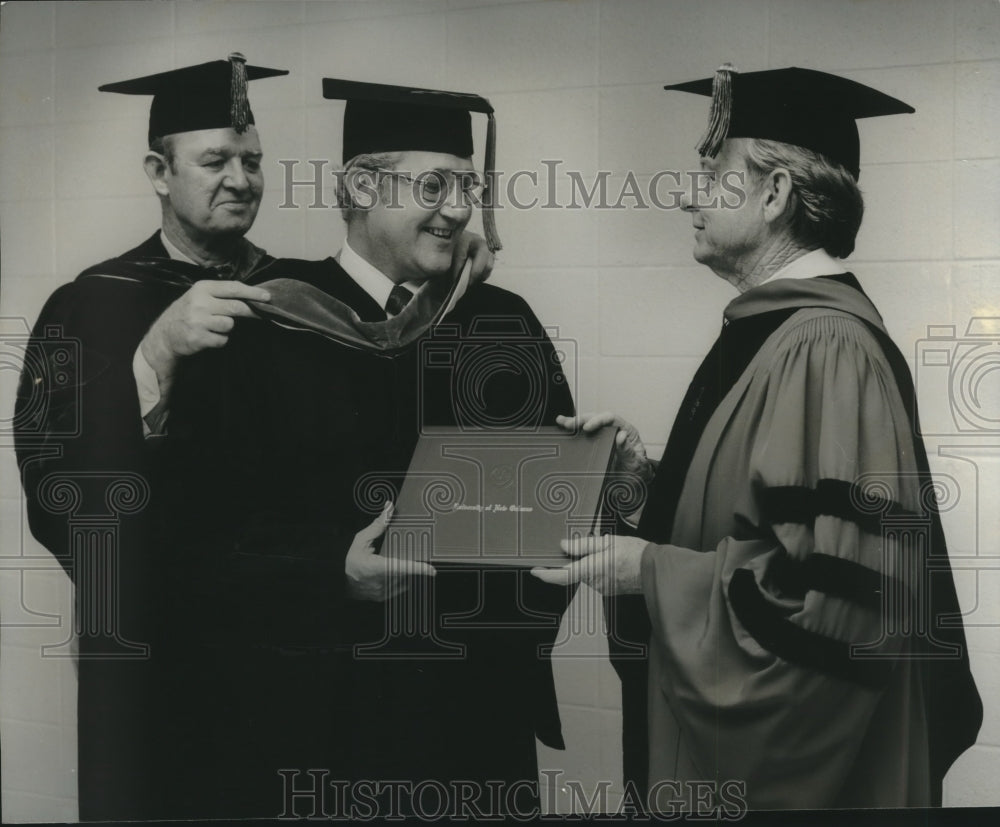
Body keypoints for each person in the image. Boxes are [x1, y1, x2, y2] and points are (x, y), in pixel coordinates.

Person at [13, 55, 494, 821]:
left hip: (278, 667)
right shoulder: (90, 303)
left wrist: (450, 268)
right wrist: (155, 355)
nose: (240, 179)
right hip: (156, 655)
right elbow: (58, 495)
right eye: (214, 160)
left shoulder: (287, 296)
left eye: (253, 161)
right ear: (158, 170)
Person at [534, 65, 982, 810]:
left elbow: (829, 613)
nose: (687, 193)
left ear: (774, 195)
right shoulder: (776, 330)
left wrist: (652, 572)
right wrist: (643, 479)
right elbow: (762, 513)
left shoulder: (827, 348)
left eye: (712, 171)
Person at [161, 77, 575, 818]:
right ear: (359, 184)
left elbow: (552, 518)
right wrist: (330, 573)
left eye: (467, 187)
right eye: (435, 184)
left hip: (474, 721)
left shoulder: (502, 322)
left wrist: (589, 489)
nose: (458, 207)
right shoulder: (265, 320)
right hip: (317, 725)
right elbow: (194, 530)